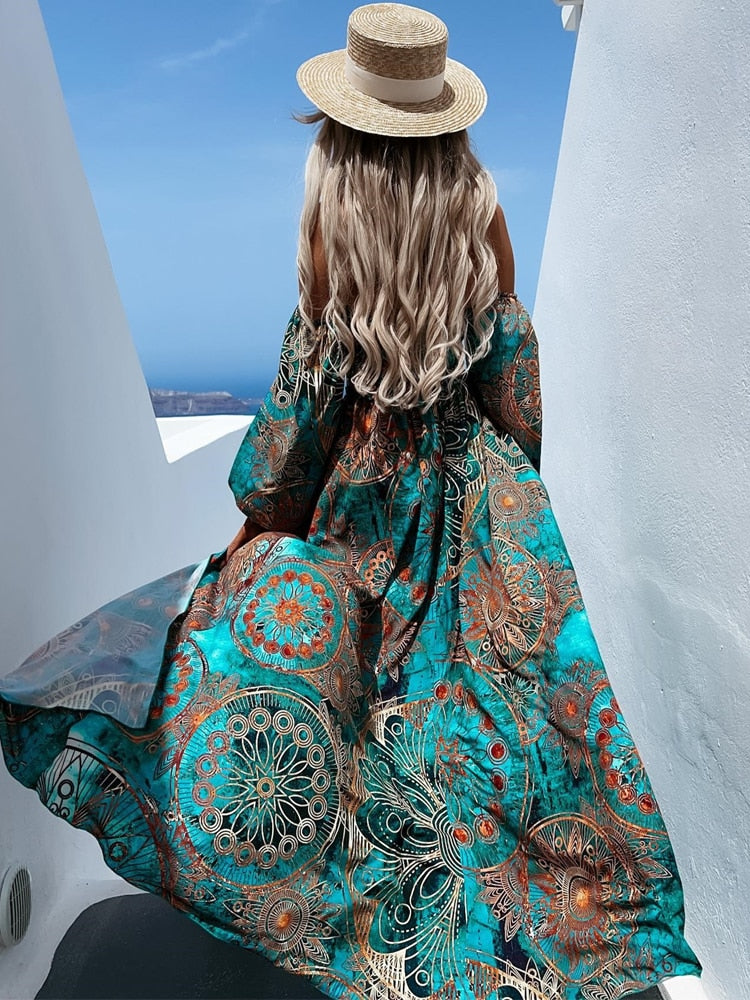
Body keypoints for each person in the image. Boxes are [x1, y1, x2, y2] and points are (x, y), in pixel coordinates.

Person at [0, 4, 703, 998]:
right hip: (484, 519)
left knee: (360, 752)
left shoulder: (331, 273)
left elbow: (285, 453)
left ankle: (376, 947)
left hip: (360, 522)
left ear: (339, 144)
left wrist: (258, 535)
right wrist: (499, 503)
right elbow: (520, 396)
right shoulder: (486, 244)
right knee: (497, 757)